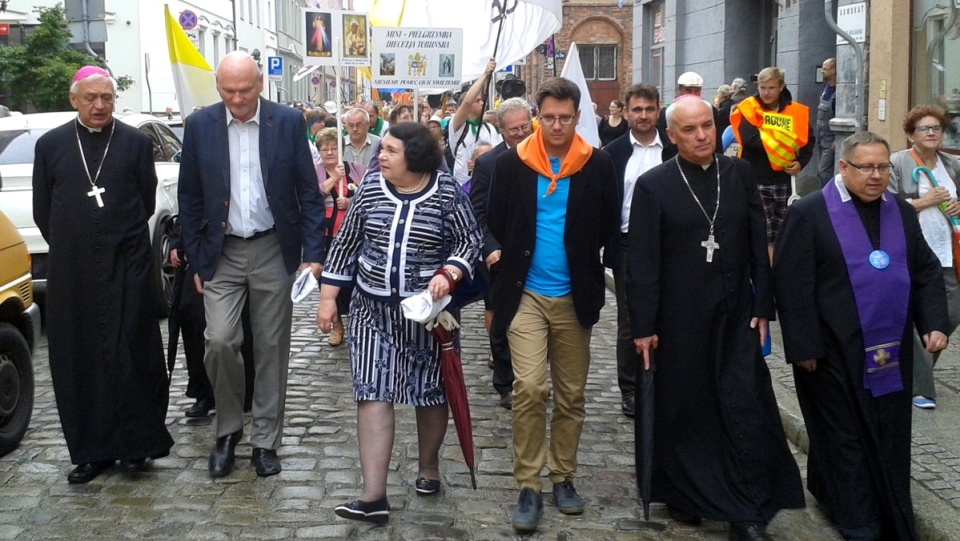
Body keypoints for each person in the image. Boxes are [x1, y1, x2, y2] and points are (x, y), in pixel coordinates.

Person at [626, 97, 805, 541]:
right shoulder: (654, 186)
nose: (703, 135)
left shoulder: (738, 173)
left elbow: (758, 239)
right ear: (673, 136)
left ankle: (746, 509)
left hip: (736, 313)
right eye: (690, 129)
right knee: (688, 409)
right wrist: (644, 327)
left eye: (707, 125)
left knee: (745, 402)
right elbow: (643, 264)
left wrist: (764, 304)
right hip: (679, 318)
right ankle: (688, 495)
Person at [773, 131, 949, 540]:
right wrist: (803, 345)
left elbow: (924, 270)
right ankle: (857, 518)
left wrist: (934, 323)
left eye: (883, 167)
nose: (876, 176)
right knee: (843, 435)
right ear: (843, 167)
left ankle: (887, 504)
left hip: (892, 346)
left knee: (888, 432)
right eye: (866, 167)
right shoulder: (811, 213)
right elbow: (792, 283)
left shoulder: (901, 212)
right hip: (831, 350)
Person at [317, 122, 481, 524]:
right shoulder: (371, 189)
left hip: (429, 317)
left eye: (390, 150)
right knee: (371, 390)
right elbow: (346, 243)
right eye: (382, 149)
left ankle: (428, 467)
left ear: (415, 156)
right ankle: (374, 496)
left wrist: (451, 272)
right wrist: (328, 297)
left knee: (429, 393)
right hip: (372, 312)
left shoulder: (444, 193)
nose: (381, 156)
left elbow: (470, 240)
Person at [177, 51, 326, 479]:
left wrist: (313, 256)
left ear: (260, 84)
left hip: (271, 247)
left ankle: (265, 441)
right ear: (218, 88)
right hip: (220, 251)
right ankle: (227, 431)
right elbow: (188, 197)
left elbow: (308, 192)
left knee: (272, 345)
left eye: (245, 90)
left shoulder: (286, 122)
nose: (237, 99)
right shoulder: (201, 125)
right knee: (221, 340)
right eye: (228, 91)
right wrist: (196, 258)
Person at [487, 77, 619, 533]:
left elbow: (607, 228)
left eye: (565, 118)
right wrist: (495, 251)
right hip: (525, 294)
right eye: (549, 118)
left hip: (573, 296)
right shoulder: (513, 165)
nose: (557, 125)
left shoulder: (596, 165)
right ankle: (529, 484)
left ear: (577, 117)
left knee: (571, 393)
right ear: (538, 118)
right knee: (528, 388)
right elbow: (493, 221)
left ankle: (563, 475)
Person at [32, 65, 174, 484]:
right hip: (72, 272)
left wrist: (116, 238)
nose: (100, 106)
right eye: (91, 98)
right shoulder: (51, 144)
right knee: (80, 357)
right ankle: (91, 451)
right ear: (74, 99)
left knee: (133, 350)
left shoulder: (133, 142)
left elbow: (146, 199)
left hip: (127, 263)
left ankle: (138, 447)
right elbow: (44, 211)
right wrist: (77, 240)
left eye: (107, 98)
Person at [601, 83, 677, 418]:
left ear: (658, 111)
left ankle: (666, 382)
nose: (643, 115)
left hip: (673, 243)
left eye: (649, 109)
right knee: (631, 319)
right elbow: (605, 204)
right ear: (626, 112)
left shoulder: (674, 148)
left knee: (671, 313)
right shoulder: (613, 153)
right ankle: (630, 388)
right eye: (637, 109)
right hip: (629, 243)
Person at [889, 106, 960, 410]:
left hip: (948, 251)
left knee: (949, 316)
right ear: (910, 135)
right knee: (910, 317)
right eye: (924, 129)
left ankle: (915, 371)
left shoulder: (952, 164)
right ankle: (921, 388)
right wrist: (923, 202)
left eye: (937, 129)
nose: (932, 133)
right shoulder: (897, 163)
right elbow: (887, 205)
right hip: (912, 250)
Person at [469, 97, 535, 409]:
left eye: (526, 126)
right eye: (514, 129)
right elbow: (477, 213)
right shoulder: (489, 164)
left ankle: (533, 377)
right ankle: (506, 384)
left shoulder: (550, 156)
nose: (521, 133)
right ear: (502, 130)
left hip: (539, 252)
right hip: (502, 254)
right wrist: (490, 248)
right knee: (503, 319)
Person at [730, 66, 815, 262]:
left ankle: (778, 270)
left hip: (784, 181)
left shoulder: (795, 111)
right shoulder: (749, 107)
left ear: (781, 87)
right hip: (756, 179)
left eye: (771, 88)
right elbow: (750, 140)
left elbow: (808, 140)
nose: (766, 93)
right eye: (762, 87)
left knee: (783, 232)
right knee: (762, 233)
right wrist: (786, 142)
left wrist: (801, 163)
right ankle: (766, 274)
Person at [315, 127, 361, 347]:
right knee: (328, 282)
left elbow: (368, 196)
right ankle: (337, 325)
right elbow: (311, 197)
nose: (330, 153)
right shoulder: (314, 172)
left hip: (353, 236)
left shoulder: (356, 169)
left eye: (334, 148)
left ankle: (358, 324)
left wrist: (350, 202)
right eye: (325, 149)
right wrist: (333, 177)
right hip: (326, 236)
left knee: (353, 281)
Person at [448, 58, 502, 186]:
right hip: (463, 185)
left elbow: (499, 155)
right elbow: (467, 101)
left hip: (486, 184)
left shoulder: (489, 128)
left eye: (482, 100)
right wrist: (485, 74)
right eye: (477, 101)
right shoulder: (457, 126)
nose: (482, 103)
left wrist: (481, 163)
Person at [817, 58, 838, 186]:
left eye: (825, 69)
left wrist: (836, 139)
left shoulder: (839, 91)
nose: (822, 72)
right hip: (821, 135)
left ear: (834, 71)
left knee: (823, 171)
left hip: (830, 138)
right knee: (821, 170)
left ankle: (827, 196)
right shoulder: (825, 87)